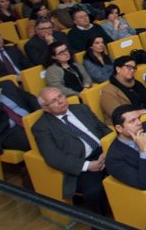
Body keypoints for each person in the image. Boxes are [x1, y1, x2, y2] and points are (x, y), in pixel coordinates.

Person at [32, 87, 111, 215]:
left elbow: (103, 129)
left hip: (104, 151)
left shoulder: (81, 109)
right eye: (53, 101)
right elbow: (54, 157)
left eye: (60, 96)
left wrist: (108, 149)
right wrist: (87, 166)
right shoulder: (42, 127)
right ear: (45, 108)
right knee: (94, 192)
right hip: (82, 162)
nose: (61, 101)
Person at [0, 65, 39, 151]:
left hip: (30, 119)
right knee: (39, 139)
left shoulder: (7, 85)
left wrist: (41, 112)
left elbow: (30, 98)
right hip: (9, 132)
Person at [100, 56, 146, 124]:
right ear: (118, 69)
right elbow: (119, 115)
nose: (132, 70)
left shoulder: (136, 83)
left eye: (134, 68)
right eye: (129, 67)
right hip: (132, 124)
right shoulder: (108, 91)